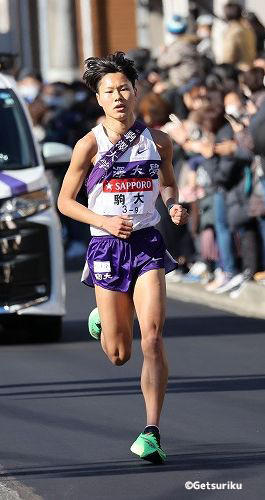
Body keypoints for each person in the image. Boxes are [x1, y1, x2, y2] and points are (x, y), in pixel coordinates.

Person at [57, 52, 188, 464]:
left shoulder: (160, 141)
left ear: (136, 92)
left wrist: (173, 205)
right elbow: (64, 202)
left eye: (124, 89)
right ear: (98, 99)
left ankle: (151, 431)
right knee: (120, 353)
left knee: (152, 336)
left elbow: (168, 185)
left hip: (147, 243)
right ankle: (103, 319)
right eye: (109, 91)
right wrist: (105, 221)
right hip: (106, 247)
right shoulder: (88, 145)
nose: (118, 97)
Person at [221, 2, 256, 69]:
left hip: (238, 69)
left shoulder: (233, 32)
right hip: (250, 67)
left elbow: (228, 55)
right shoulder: (247, 29)